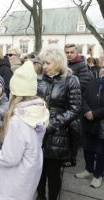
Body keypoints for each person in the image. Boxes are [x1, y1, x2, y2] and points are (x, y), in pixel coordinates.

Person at [0, 61, 49, 200]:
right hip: (30, 170)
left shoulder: (17, 121)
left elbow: (9, 159)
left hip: (15, 177)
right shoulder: (39, 110)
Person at [37, 47, 81, 200]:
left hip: (58, 135)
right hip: (38, 133)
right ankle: (40, 196)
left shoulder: (70, 80)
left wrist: (52, 124)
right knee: (38, 171)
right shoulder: (40, 79)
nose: (44, 66)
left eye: (48, 63)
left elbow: (75, 109)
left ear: (58, 62)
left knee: (54, 174)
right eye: (43, 63)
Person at [64, 43, 93, 167]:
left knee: (74, 132)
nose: (69, 54)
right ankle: (66, 156)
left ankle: (72, 158)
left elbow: (84, 84)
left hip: (76, 104)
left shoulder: (82, 65)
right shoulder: (64, 64)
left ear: (76, 52)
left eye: (71, 52)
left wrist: (65, 87)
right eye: (67, 52)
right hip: (64, 103)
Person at [75, 67, 104, 188]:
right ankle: (89, 169)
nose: (103, 70)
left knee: (101, 151)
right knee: (87, 148)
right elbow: (83, 98)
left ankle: (98, 175)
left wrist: (94, 113)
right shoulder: (94, 81)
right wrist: (87, 111)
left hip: (101, 124)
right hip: (88, 121)